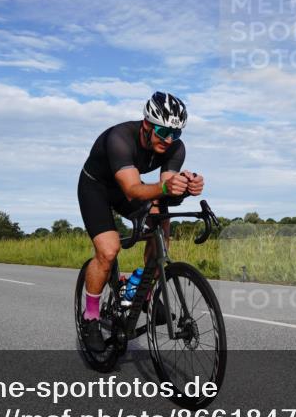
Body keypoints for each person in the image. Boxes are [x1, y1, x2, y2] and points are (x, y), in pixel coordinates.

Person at [77, 91, 205, 352]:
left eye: (176, 133)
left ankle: (139, 285)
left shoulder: (175, 147)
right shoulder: (119, 139)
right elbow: (133, 189)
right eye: (162, 131)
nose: (169, 140)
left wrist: (185, 187)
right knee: (108, 250)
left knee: (161, 218)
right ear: (146, 124)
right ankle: (90, 317)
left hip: (131, 187)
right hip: (97, 189)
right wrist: (167, 189)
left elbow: (164, 188)